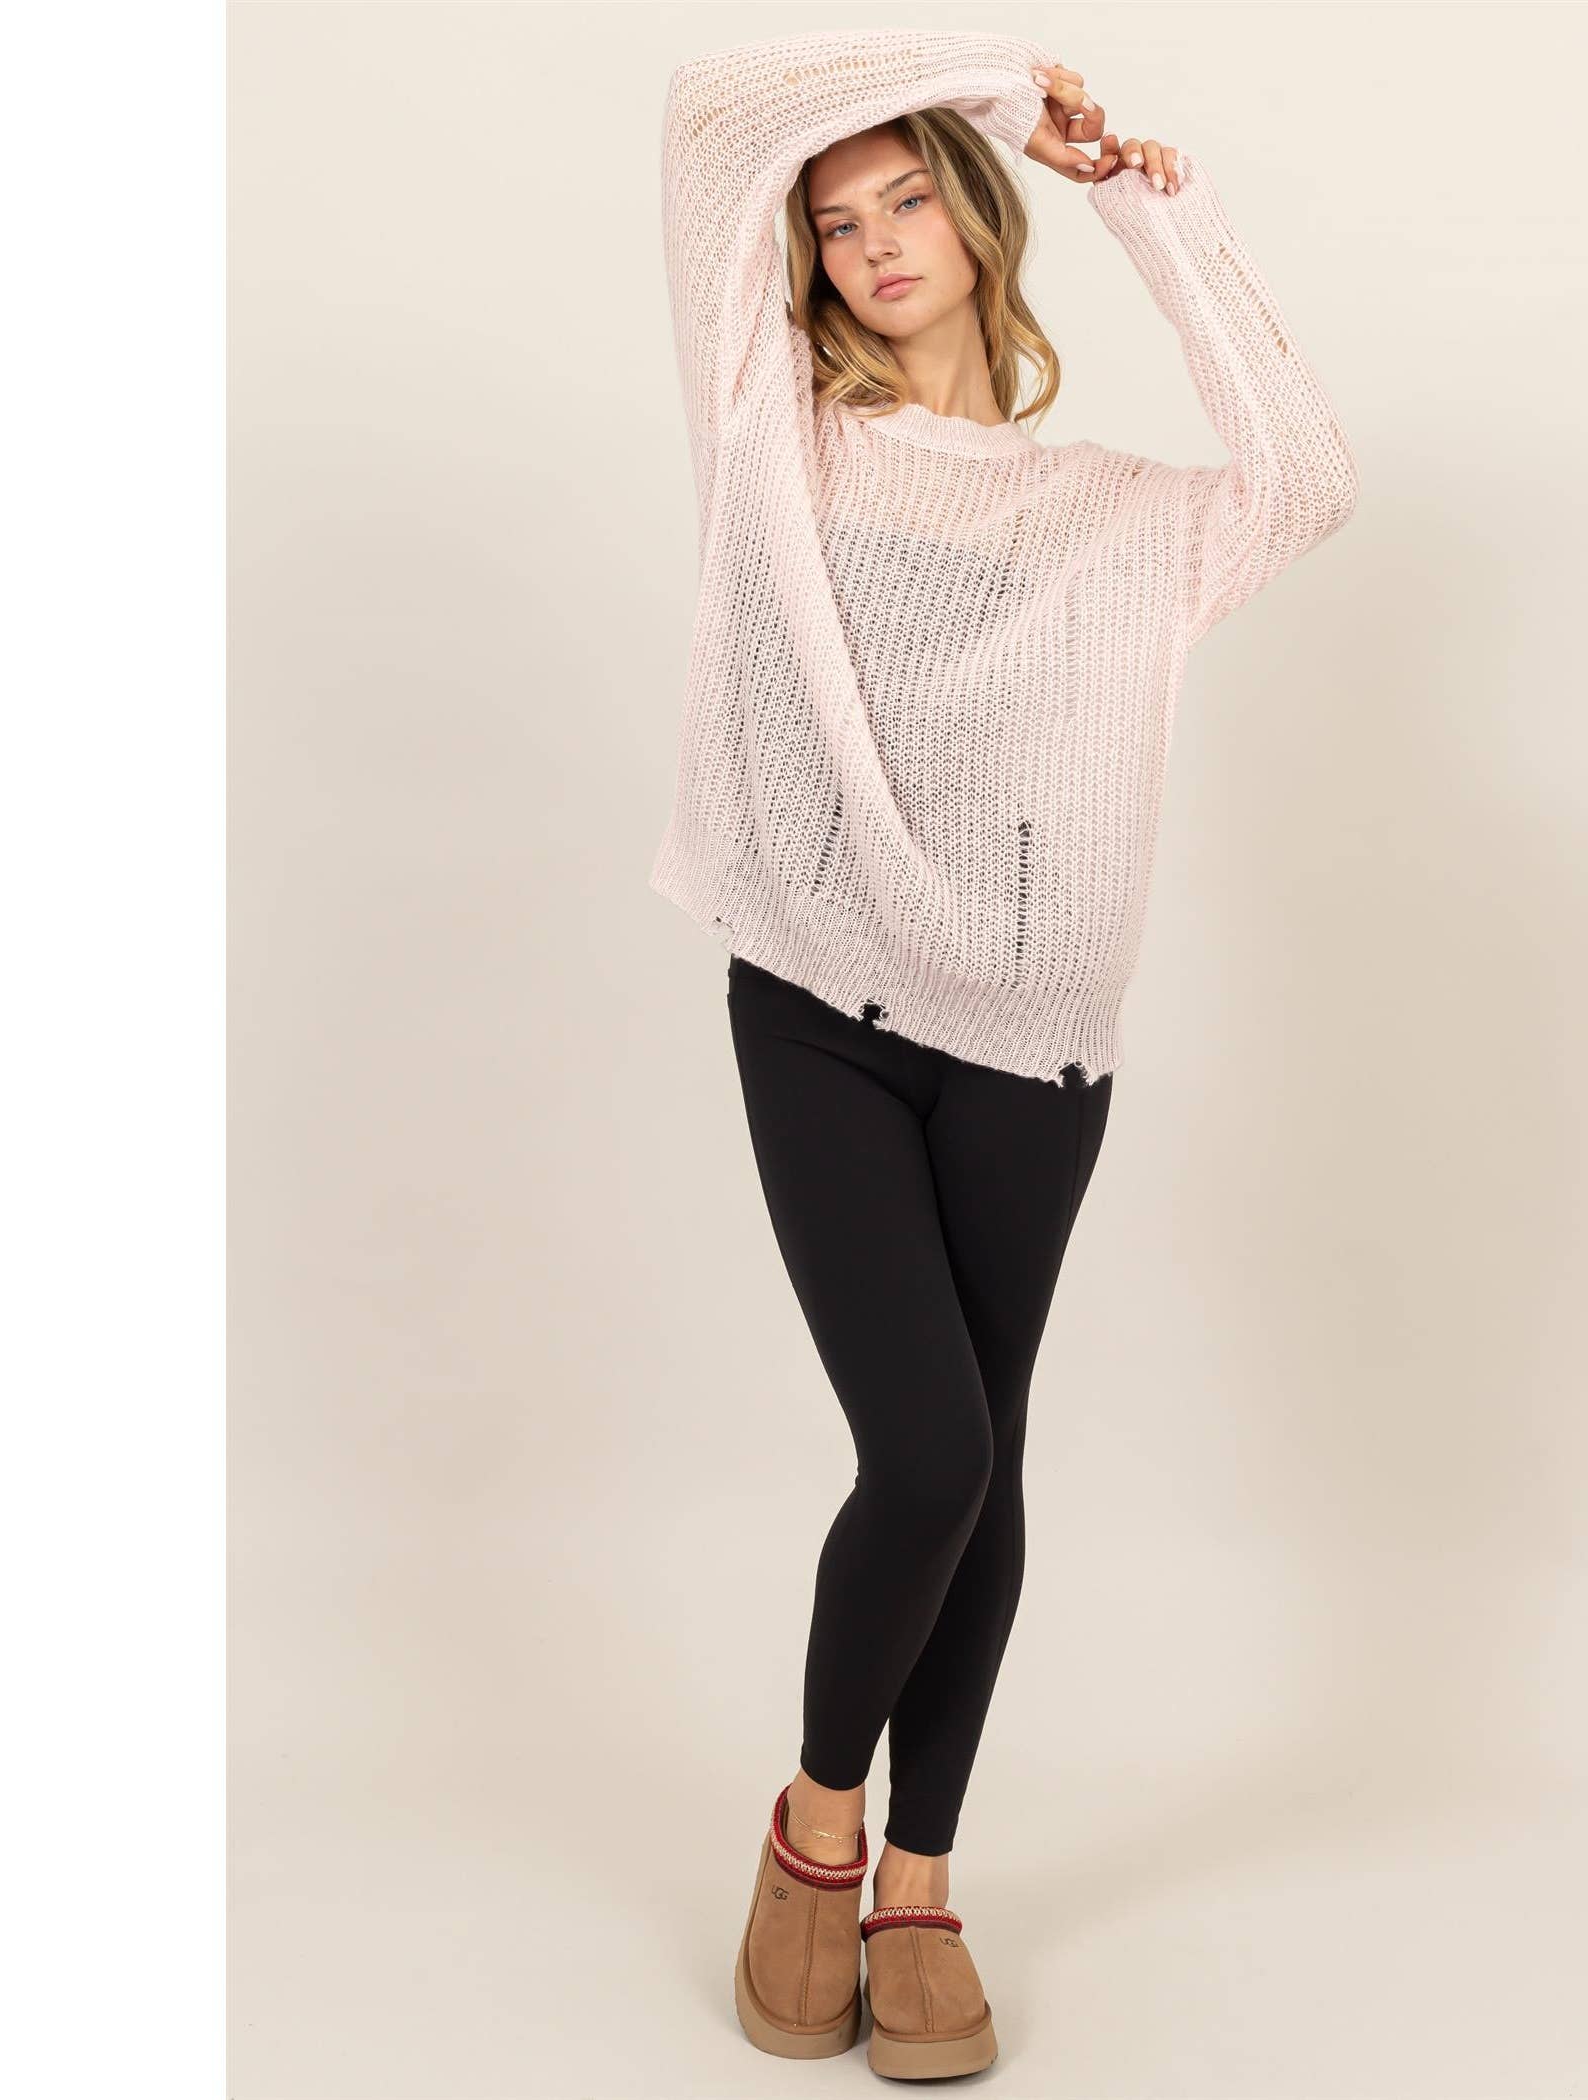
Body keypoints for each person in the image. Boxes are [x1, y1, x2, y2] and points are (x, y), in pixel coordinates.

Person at [651, 27, 1358, 2079]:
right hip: (818, 1008)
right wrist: (986, 71)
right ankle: (817, 1824)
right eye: (836, 220)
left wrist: (1136, 198)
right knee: (930, 1453)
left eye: (907, 199)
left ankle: (924, 1878)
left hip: (1033, 1050)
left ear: (973, 226)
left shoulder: (1120, 516)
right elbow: (710, 127)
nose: (873, 240)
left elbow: (1308, 475)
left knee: (991, 1462)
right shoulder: (778, 442)